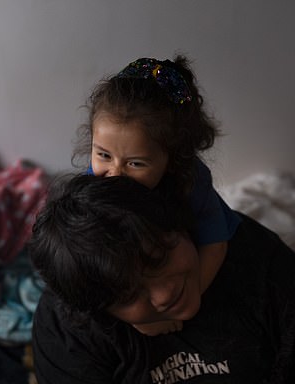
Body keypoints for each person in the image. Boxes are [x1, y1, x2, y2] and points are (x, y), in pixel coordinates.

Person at [28, 174, 295, 384]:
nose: (163, 294)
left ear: (181, 226)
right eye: (128, 295)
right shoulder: (68, 328)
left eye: (160, 260)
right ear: (101, 310)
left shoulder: (250, 258)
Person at [72, 55, 241, 335]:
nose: (115, 173)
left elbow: (216, 245)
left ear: (173, 160)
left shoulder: (192, 183)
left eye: (135, 163)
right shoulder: (95, 181)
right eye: (103, 154)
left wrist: (179, 307)